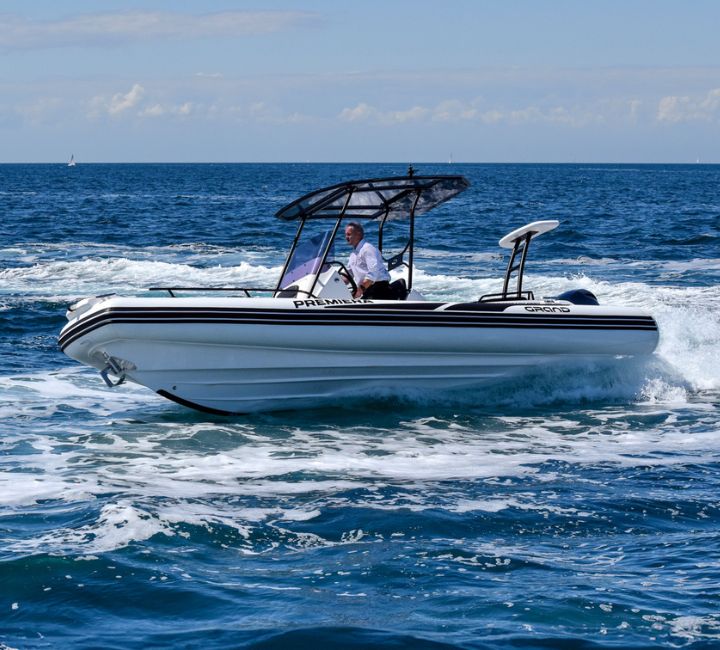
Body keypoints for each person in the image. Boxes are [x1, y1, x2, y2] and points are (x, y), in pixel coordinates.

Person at [343, 222, 393, 299]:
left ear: (358, 234)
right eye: (346, 234)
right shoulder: (353, 254)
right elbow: (349, 274)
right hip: (366, 288)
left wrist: (360, 290)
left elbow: (373, 272)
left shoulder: (368, 249)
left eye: (349, 234)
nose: (346, 237)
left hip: (379, 288)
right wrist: (335, 283)